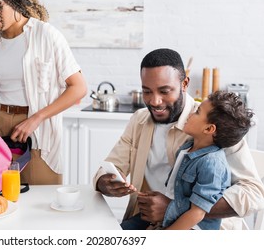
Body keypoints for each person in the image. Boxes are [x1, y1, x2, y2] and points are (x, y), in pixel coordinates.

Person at [93, 48, 264, 230]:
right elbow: (110, 167)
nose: (155, 101)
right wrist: (106, 183)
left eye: (164, 91)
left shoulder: (214, 123)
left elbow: (254, 193)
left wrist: (175, 208)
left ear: (184, 84)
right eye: (147, 91)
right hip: (148, 221)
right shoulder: (139, 120)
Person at [0, 0, 87, 185]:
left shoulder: (46, 35)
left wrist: (35, 119)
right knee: (1, 202)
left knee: (40, 205)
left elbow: (78, 87)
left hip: (37, 129)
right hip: (0, 127)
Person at [160, 90, 253, 230]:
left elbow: (197, 213)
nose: (190, 114)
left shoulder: (212, 164)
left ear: (209, 129)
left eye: (197, 112)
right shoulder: (188, 148)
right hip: (171, 220)